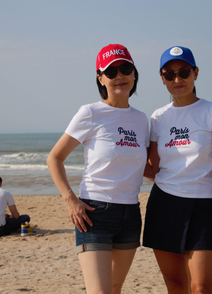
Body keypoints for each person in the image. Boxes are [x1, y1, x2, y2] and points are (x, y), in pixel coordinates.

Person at [47, 44, 149, 294]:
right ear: (100, 78)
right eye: (111, 71)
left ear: (134, 73)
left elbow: (144, 166)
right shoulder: (90, 113)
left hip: (131, 214)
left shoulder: (142, 119)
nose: (119, 76)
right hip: (94, 214)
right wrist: (70, 200)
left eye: (125, 69)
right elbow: (55, 158)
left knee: (115, 288)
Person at [143, 46, 212, 293]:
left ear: (195, 73)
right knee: (176, 284)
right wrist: (121, 156)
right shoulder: (158, 118)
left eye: (183, 72)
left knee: (202, 286)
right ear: (162, 79)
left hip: (204, 206)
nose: (177, 79)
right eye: (169, 74)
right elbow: (153, 168)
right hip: (164, 204)